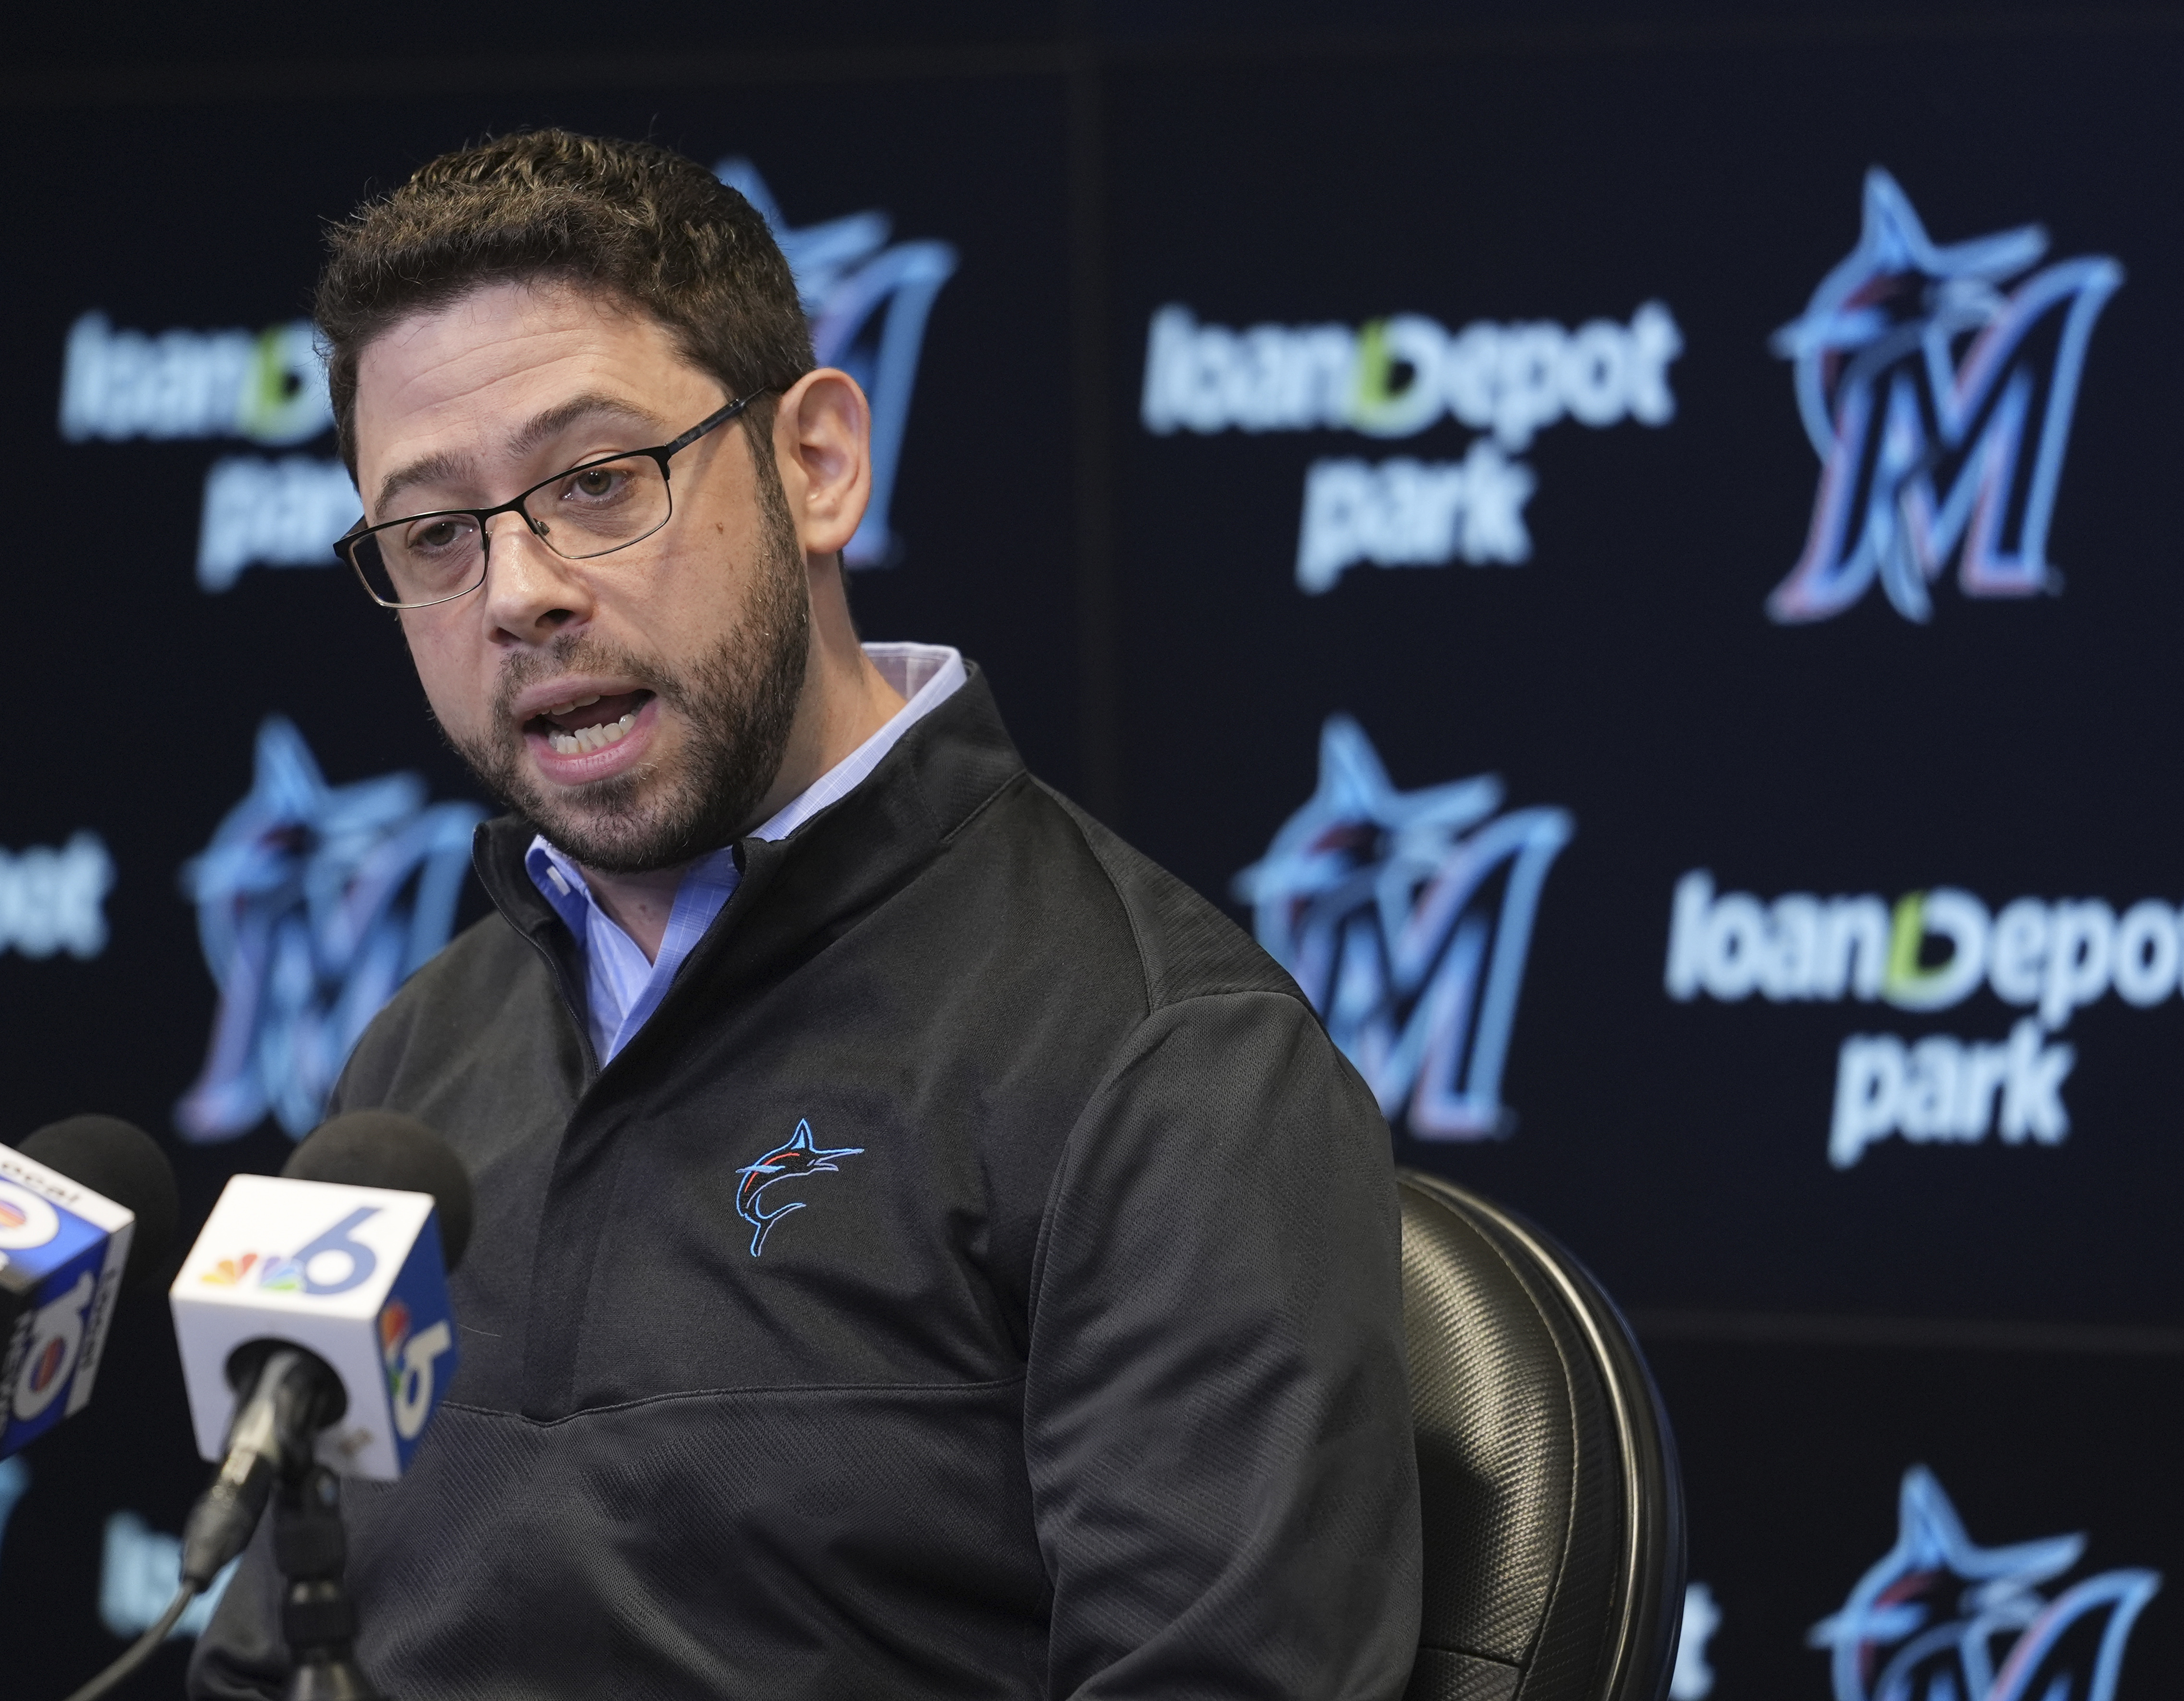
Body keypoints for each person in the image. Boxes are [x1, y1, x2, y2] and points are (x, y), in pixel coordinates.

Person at [191, 128, 1420, 1701]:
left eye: (594, 482)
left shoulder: (1166, 1063)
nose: (519, 593)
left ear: (817, 463)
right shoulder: (406, 1070)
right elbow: (269, 1654)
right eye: (437, 534)